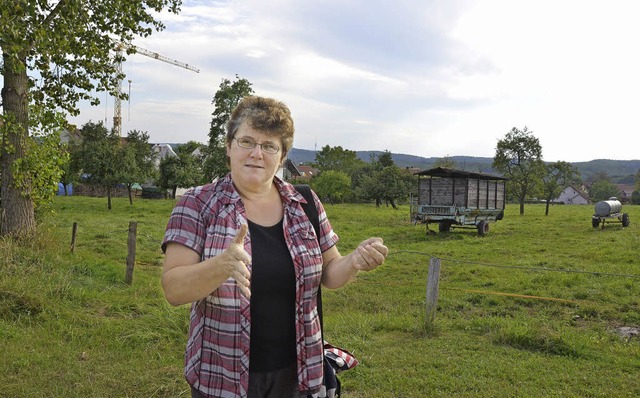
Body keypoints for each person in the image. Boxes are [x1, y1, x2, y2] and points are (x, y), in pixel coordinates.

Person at [161, 96, 388, 398]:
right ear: (229, 147)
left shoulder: (305, 202)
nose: (257, 153)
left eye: (269, 146)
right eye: (246, 141)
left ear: (281, 157)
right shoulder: (198, 204)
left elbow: (331, 273)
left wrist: (355, 261)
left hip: (298, 374)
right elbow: (173, 289)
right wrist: (221, 266)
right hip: (221, 377)